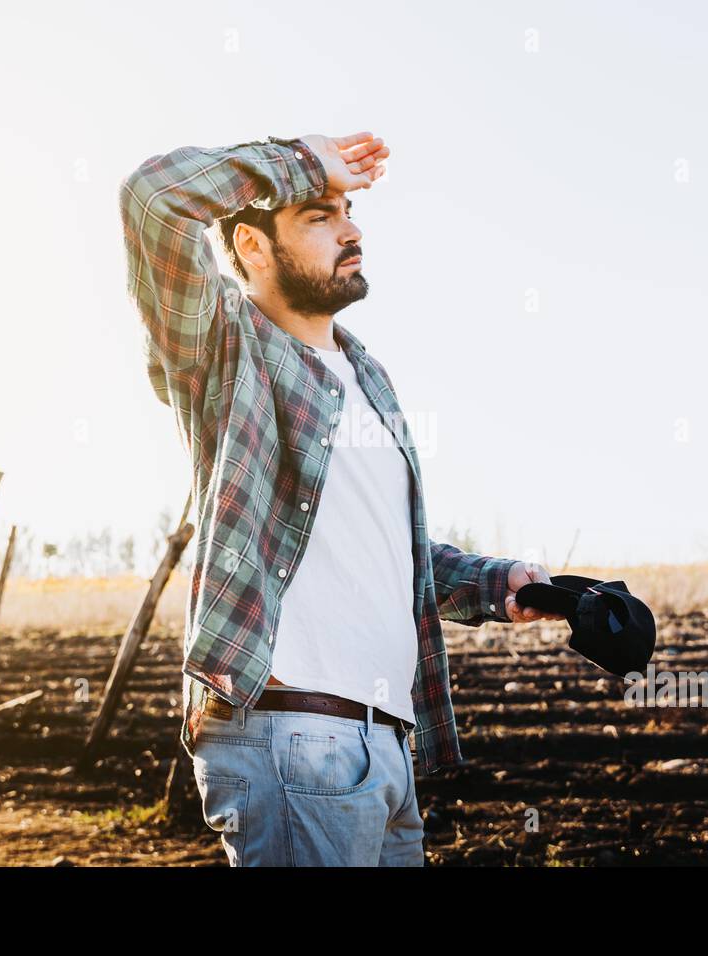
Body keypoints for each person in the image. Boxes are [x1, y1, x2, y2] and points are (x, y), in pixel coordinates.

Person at [118, 130, 565, 866]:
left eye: (348, 211)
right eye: (319, 215)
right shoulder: (228, 347)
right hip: (293, 737)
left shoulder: (367, 374)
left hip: (385, 747)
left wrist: (491, 582)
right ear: (254, 248)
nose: (352, 229)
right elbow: (152, 200)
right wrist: (301, 161)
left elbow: (385, 553)